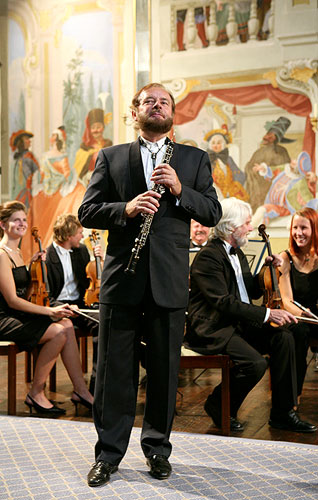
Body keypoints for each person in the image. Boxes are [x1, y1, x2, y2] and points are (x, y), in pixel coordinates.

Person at [78, 82, 222, 487]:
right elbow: (87, 210)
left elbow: (212, 212)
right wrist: (125, 208)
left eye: (164, 101)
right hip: (121, 281)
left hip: (168, 281)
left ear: (173, 112)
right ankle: (108, 454)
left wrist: (180, 189)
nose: (157, 106)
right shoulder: (110, 157)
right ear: (134, 111)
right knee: (114, 372)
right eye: (148, 101)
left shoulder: (194, 159)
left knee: (164, 371)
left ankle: (157, 450)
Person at [185, 197, 316, 434]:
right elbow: (223, 303)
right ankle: (218, 404)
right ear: (231, 227)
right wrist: (268, 314)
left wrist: (267, 271)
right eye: (246, 223)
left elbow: (249, 290)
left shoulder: (237, 253)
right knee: (254, 364)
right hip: (214, 328)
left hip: (236, 323)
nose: (250, 227)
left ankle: (282, 413)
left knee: (286, 336)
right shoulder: (208, 257)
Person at [0, 201, 94, 416]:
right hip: (4, 318)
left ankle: (81, 390)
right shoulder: (1, 255)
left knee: (67, 324)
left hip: (16, 314)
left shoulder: (17, 253)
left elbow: (25, 294)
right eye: (16, 220)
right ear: (3, 225)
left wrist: (32, 270)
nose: (22, 224)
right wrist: (51, 311)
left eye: (24, 219)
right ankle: (36, 392)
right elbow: (12, 301)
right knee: (59, 330)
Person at [45, 214, 103, 395]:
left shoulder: (82, 251)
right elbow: (47, 296)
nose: (82, 236)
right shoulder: (48, 256)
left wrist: (100, 261)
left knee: (103, 322)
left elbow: (90, 282)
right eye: (79, 232)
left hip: (79, 306)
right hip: (58, 307)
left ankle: (97, 381)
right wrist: (62, 307)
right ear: (68, 235)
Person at [279, 207, 318, 374]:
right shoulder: (285, 258)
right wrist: (303, 314)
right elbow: (286, 300)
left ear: (314, 230)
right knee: (299, 332)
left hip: (314, 314)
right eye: (295, 227)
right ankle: (294, 394)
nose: (298, 233)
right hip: (294, 316)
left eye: (303, 228)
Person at [245, 116, 293, 213]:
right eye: (268, 134)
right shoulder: (259, 151)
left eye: (271, 135)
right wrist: (252, 169)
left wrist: (266, 170)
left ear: (276, 137)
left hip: (275, 184)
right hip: (257, 185)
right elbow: (250, 166)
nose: (266, 137)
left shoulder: (281, 151)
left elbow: (285, 169)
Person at [205, 125, 249, 202]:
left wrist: (234, 186)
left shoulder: (229, 159)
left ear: (223, 145)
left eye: (218, 143)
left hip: (231, 193)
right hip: (214, 193)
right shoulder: (206, 159)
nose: (215, 145)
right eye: (213, 143)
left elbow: (239, 175)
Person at [73, 108, 112, 186]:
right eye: (93, 127)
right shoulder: (85, 148)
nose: (96, 130)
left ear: (103, 127)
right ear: (89, 130)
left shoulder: (108, 145)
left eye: (98, 127)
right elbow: (80, 171)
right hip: (88, 183)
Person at [10, 129, 41, 207]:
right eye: (27, 139)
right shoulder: (16, 158)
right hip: (17, 192)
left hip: (27, 193)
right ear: (21, 142)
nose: (29, 141)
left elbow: (38, 172)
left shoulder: (30, 156)